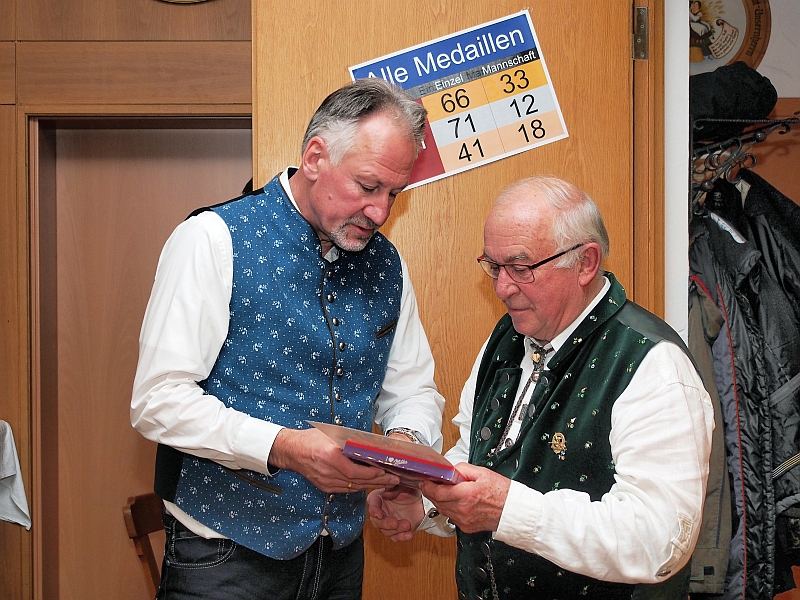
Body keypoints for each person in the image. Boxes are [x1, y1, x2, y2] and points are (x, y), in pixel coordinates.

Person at [130, 78, 445, 600]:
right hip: (224, 558)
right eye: (368, 186)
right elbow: (157, 401)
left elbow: (412, 389)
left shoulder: (387, 264)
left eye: (394, 193)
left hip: (340, 557)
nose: (381, 212)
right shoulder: (213, 238)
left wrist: (403, 453)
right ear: (315, 157)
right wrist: (285, 447)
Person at [368, 175, 714, 600]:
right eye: (494, 267)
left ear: (586, 263)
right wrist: (426, 503)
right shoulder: (505, 338)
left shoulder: (654, 366)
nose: (502, 287)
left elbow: (659, 542)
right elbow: (475, 454)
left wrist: (507, 509)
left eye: (521, 268)